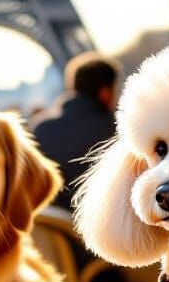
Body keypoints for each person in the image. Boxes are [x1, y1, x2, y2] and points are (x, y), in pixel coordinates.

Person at [30, 52, 120, 210]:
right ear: (105, 92)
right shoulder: (115, 129)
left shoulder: (40, 128)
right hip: (96, 224)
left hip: (54, 225)